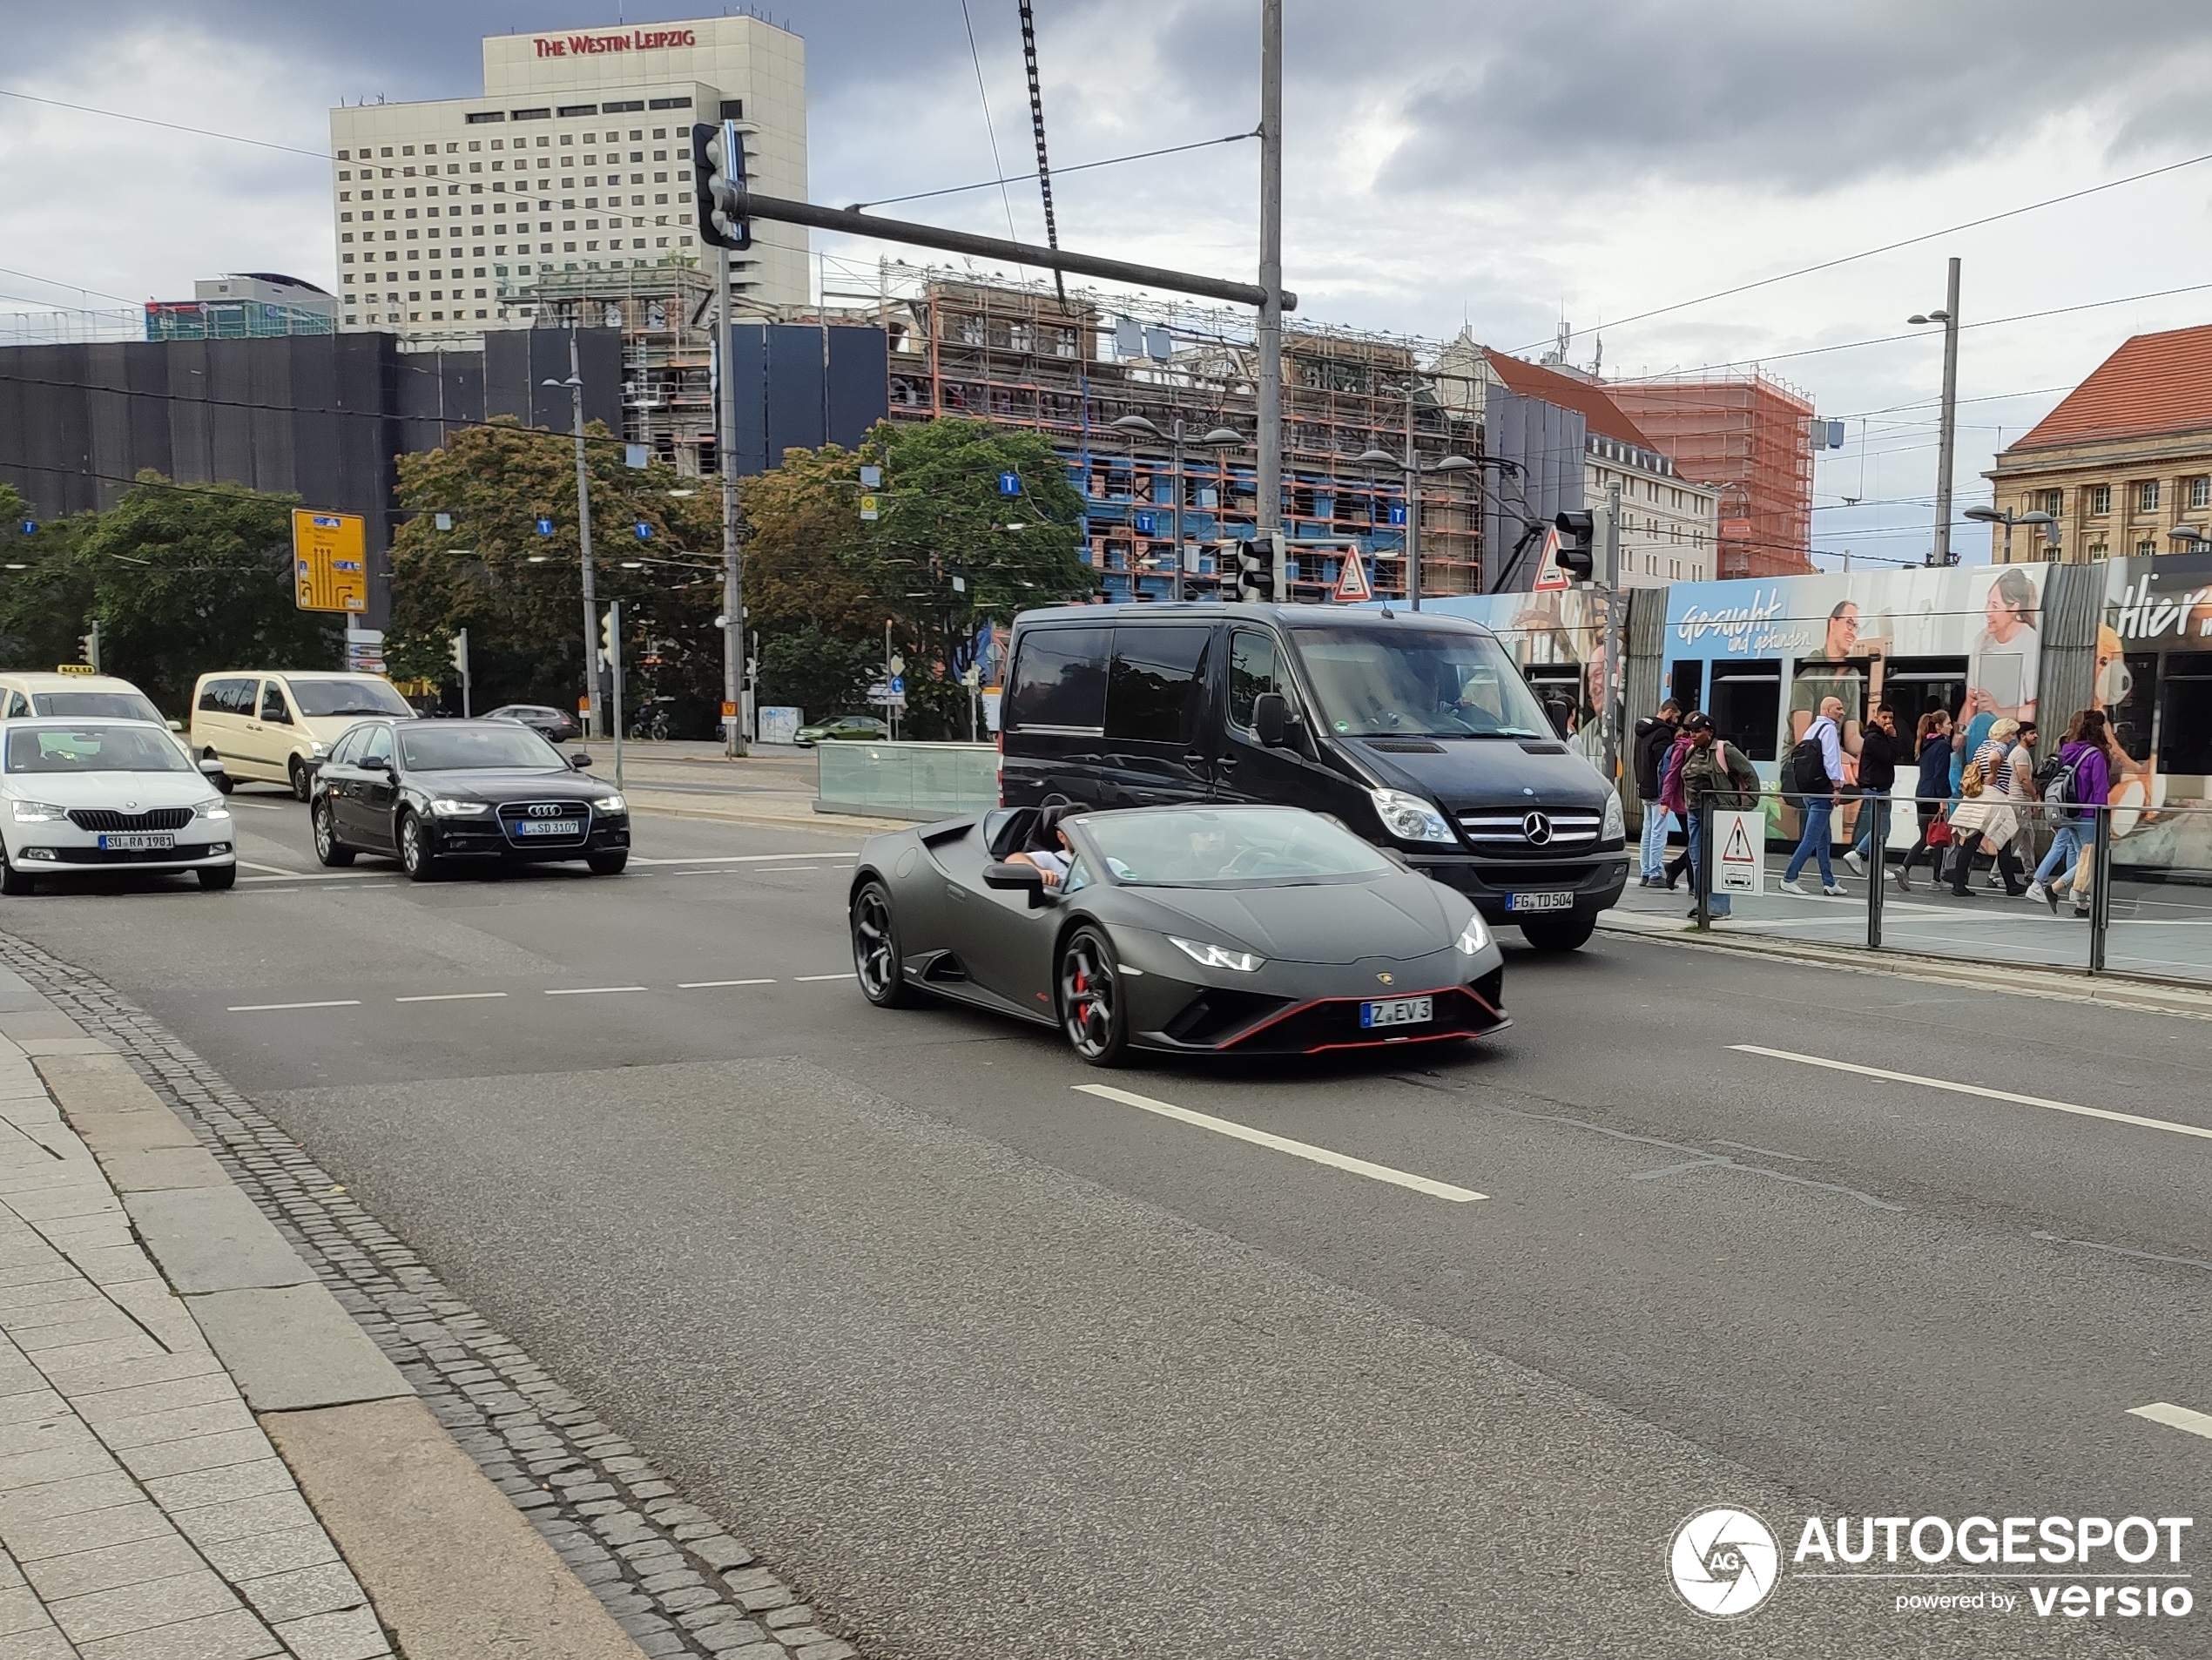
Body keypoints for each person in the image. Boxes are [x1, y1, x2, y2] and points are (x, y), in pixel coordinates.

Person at [2027, 709, 2116, 917]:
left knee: (2079, 858)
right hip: (2088, 815)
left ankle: (2081, 904)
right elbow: (2099, 790)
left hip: (2067, 813)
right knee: (2093, 859)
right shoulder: (2096, 755)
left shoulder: (2066, 749)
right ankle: (2056, 887)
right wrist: (2103, 818)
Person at [1677, 712, 1760, 919]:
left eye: (1698, 731)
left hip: (1719, 813)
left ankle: (1720, 908)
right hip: (1695, 812)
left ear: (1710, 732)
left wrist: (1745, 808)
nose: (1693, 735)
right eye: (1690, 732)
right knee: (1696, 858)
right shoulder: (1691, 751)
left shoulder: (1725, 750)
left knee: (1716, 861)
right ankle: (1702, 903)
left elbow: (1749, 774)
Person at [1945, 718, 2027, 897]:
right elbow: (1995, 758)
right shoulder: (2000, 747)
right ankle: (2010, 885)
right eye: (2011, 734)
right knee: (2002, 839)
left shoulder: (1982, 747)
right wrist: (1994, 774)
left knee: (1973, 842)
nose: (2013, 738)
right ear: (2003, 733)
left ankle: (1960, 883)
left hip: (1979, 796)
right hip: (1994, 798)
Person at [1780, 695, 1847, 895]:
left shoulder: (1811, 730)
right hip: (1822, 792)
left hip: (1808, 790)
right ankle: (1789, 878)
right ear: (1826, 710)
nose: (1842, 712)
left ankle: (1829, 882)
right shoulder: (1828, 730)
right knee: (1811, 838)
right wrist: (1837, 788)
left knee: (1823, 837)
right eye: (1838, 708)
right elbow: (1831, 760)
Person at [1965, 566, 2040, 725]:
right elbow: (1971, 698)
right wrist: (1963, 733)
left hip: (2010, 736)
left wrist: (1999, 711)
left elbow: (2037, 708)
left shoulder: (2030, 642)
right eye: (1988, 602)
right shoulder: (1982, 639)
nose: (1987, 611)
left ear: (2014, 608)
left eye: (1995, 605)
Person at [1894, 709, 1953, 890]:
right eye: (1949, 724)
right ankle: (1919, 873)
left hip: (1922, 794)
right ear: (1939, 726)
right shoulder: (1943, 746)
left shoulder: (1925, 744)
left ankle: (1925, 875)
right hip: (1935, 796)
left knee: (1929, 837)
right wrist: (1943, 800)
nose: (1952, 727)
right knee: (1938, 838)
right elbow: (1940, 775)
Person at [1843, 704, 1898, 878]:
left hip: (1878, 788)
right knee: (1882, 829)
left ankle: (1873, 866)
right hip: (1876, 789)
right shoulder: (1875, 738)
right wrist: (1893, 737)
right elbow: (1889, 757)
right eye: (1885, 718)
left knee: (1881, 828)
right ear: (1877, 717)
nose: (1888, 721)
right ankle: (1859, 855)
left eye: (1890, 718)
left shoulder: (1878, 737)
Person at [1632, 698, 1683, 886]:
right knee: (1658, 832)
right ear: (1669, 712)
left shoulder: (1643, 730)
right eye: (1676, 717)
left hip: (1644, 785)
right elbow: (1664, 765)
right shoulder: (1662, 733)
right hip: (1658, 788)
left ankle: (1645, 872)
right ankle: (1654, 873)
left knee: (1648, 830)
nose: (1676, 721)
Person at [1007, 797, 1081, 887]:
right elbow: (1013, 859)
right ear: (1061, 837)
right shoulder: (1051, 859)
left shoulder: (1101, 858)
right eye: (1077, 831)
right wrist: (1038, 871)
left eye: (1091, 829)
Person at [1657, 722, 1697, 889]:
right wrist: (1665, 801)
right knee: (1694, 843)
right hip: (1683, 804)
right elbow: (1672, 775)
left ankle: (1680, 873)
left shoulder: (1683, 747)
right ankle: (1683, 876)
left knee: (1693, 843)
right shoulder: (1682, 749)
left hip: (1683, 803)